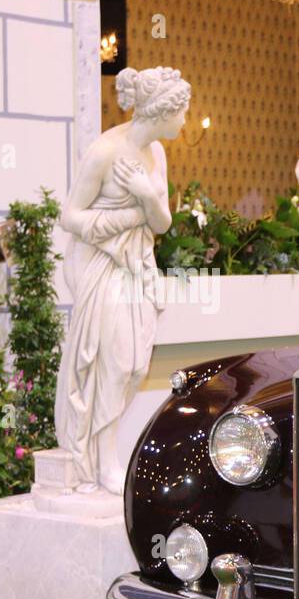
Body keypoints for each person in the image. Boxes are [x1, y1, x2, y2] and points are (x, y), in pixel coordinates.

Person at [56, 66, 189, 494]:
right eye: (181, 113)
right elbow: (70, 216)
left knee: (133, 366)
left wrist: (148, 196)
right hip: (104, 268)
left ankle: (105, 453)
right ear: (161, 111)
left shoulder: (157, 154)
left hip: (138, 268)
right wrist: (133, 214)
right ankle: (102, 462)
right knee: (111, 363)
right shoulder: (104, 151)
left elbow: (163, 221)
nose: (185, 122)